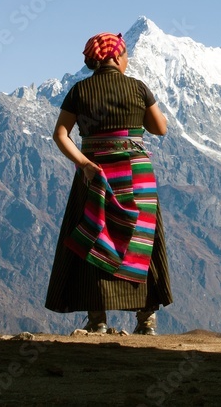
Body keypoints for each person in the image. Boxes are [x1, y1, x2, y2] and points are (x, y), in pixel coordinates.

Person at [44, 32, 173, 335]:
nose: (127, 60)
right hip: (136, 175)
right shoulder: (138, 88)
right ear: (115, 56)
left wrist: (85, 164)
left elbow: (60, 134)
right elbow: (160, 128)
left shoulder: (80, 91)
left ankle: (97, 320)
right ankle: (146, 320)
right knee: (141, 239)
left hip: (95, 174)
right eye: (126, 55)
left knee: (95, 234)